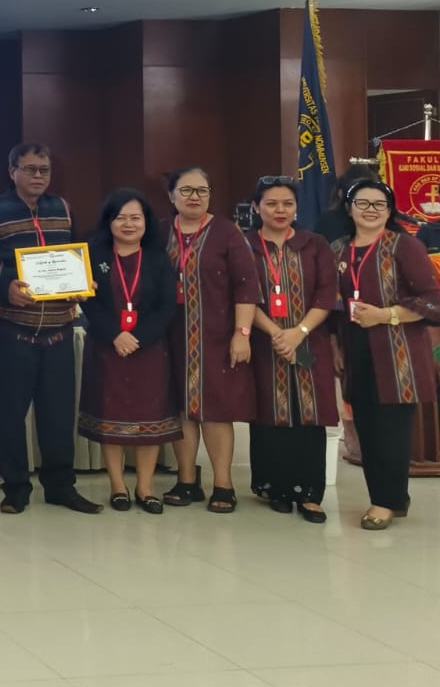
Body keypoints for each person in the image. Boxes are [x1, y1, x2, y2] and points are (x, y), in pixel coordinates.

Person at [0, 143, 101, 515]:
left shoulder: (63, 209)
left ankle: (61, 486)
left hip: (59, 329)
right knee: (10, 414)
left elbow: (75, 257)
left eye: (44, 169)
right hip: (10, 330)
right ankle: (15, 488)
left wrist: (81, 284)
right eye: (30, 169)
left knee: (58, 414)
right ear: (12, 171)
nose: (38, 176)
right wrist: (4, 288)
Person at [335, 178, 440, 531]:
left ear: (390, 210)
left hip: (398, 354)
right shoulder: (339, 249)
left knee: (391, 431)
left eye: (379, 204)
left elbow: (433, 300)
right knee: (366, 427)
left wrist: (386, 315)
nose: (371, 211)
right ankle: (392, 497)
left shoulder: (404, 246)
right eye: (362, 203)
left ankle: (385, 501)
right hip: (356, 350)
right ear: (349, 208)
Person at [161, 167, 260, 514]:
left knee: (217, 411)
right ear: (172, 196)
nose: (194, 197)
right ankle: (187, 481)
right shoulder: (160, 233)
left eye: (202, 191)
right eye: (186, 190)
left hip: (217, 337)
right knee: (181, 411)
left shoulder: (227, 233)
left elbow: (247, 287)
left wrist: (242, 334)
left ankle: (223, 484)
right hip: (169, 337)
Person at [78, 189, 181, 514]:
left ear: (146, 222)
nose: (128, 224)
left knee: (149, 420)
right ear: (108, 222)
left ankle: (146, 487)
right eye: (120, 217)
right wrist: (115, 335)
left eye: (135, 217)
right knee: (112, 418)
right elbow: (88, 302)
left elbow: (167, 306)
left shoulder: (157, 257)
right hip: (107, 347)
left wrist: (138, 337)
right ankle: (118, 486)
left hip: (149, 349)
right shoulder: (94, 254)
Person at [244, 176, 338, 523]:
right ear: (256, 207)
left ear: (297, 208)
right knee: (268, 413)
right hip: (264, 341)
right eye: (271, 203)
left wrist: (298, 332)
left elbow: (327, 293)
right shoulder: (245, 246)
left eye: (287, 204)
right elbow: (242, 295)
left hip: (309, 339)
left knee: (309, 416)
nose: (280, 210)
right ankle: (276, 488)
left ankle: (311, 494)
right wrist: (275, 333)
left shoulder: (315, 244)